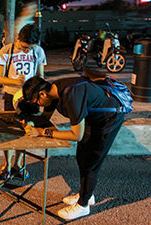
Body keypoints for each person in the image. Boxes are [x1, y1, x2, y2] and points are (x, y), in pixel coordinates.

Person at [22, 68, 124, 220]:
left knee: (91, 162)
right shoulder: (53, 91)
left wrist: (43, 132)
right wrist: (27, 122)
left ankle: (83, 206)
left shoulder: (70, 95)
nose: (38, 105)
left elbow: (76, 135)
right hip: (93, 118)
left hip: (108, 119)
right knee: (81, 156)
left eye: (37, 101)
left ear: (42, 93)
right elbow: (44, 118)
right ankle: (86, 195)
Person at [0, 24, 47, 179]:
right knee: (10, 130)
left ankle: (18, 164)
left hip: (29, 97)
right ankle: (7, 165)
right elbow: (0, 78)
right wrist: (15, 81)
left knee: (26, 130)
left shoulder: (38, 51)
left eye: (30, 48)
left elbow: (41, 76)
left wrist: (36, 88)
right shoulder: (6, 51)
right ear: (18, 39)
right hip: (11, 94)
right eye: (24, 47)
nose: (27, 50)